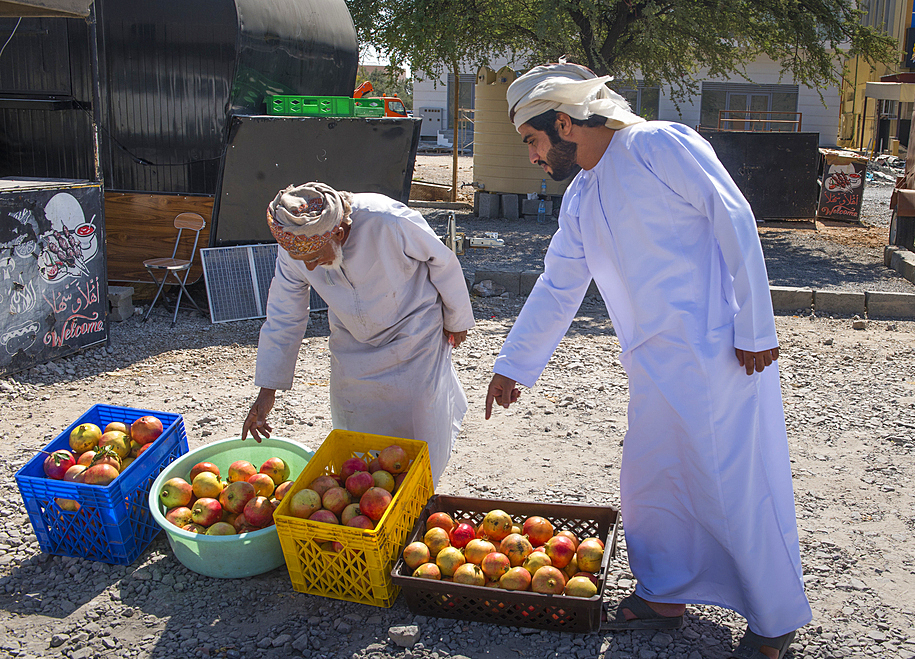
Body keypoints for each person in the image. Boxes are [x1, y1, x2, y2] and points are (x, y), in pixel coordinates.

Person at [484, 62, 811, 659]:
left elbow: (732, 217)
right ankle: (664, 595)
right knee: (650, 483)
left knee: (733, 487)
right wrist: (515, 364)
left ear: (564, 122)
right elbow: (559, 285)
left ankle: (773, 623)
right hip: (652, 365)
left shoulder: (658, 143)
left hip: (721, 356)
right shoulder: (582, 194)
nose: (533, 156)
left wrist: (755, 322)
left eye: (532, 140)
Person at [243, 182, 474, 485]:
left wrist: (456, 319)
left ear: (338, 232)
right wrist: (267, 390)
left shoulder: (387, 219)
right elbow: (284, 316)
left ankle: (419, 494)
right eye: (304, 261)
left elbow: (442, 261)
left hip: (414, 332)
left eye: (314, 257)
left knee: (421, 423)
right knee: (353, 424)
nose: (310, 266)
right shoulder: (295, 246)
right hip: (352, 339)